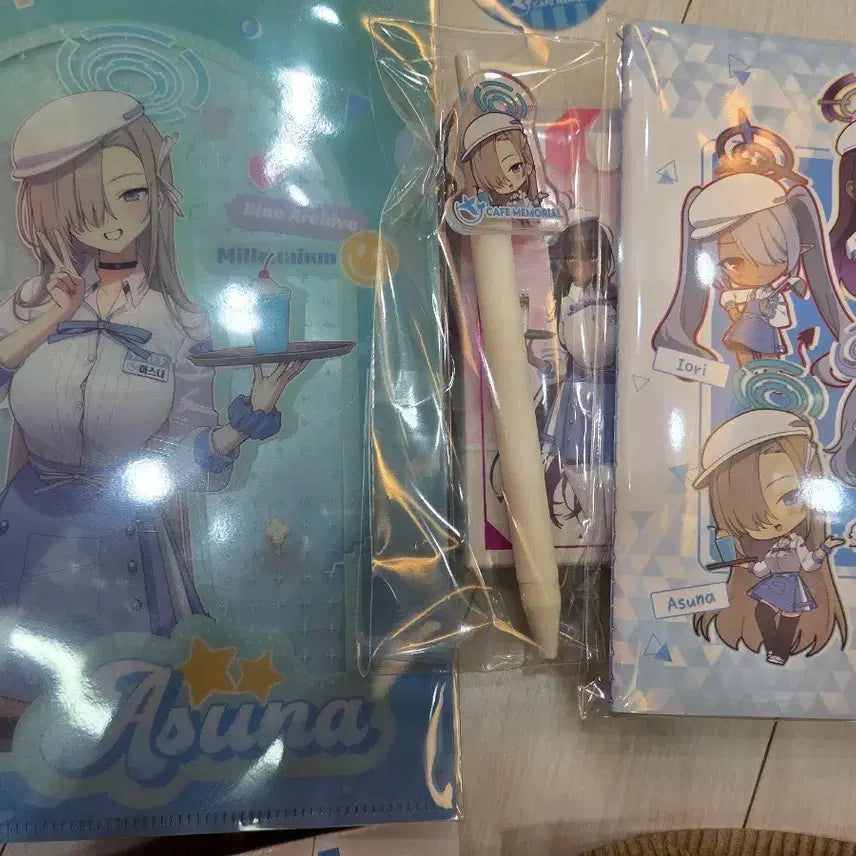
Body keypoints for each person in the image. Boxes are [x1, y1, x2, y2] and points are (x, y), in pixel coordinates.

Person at [0, 91, 307, 719]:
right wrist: (53, 316)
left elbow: (185, 461)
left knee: (126, 713)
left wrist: (248, 417)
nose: (112, 220)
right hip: (26, 538)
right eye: (85, 204)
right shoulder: (27, 305)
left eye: (132, 193)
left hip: (124, 543)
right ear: (50, 210)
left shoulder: (181, 323)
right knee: (18, 712)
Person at [692, 409, 847, 665]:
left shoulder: (796, 543)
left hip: (791, 586)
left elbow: (809, 564)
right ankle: (777, 650)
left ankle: (778, 652)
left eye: (791, 497)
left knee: (785, 616)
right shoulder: (772, 548)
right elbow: (762, 569)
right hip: (774, 585)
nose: (772, 520)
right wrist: (746, 565)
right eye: (749, 514)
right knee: (764, 613)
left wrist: (825, 548)